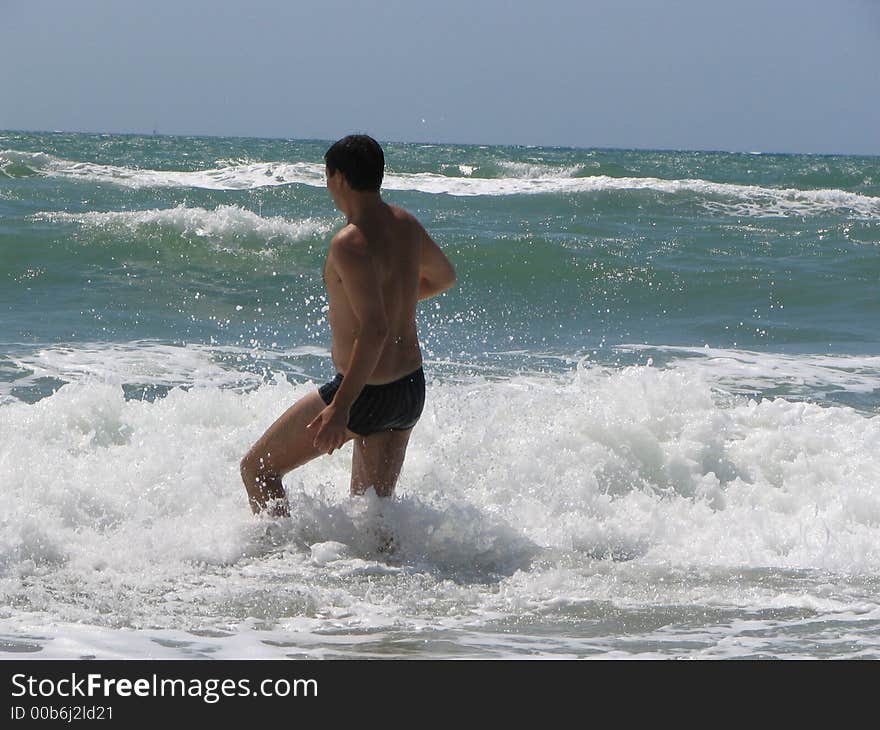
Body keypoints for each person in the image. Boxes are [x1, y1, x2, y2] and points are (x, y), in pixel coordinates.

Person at [240, 134, 456, 517]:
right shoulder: (406, 224)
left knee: (258, 470)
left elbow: (374, 330)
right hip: (408, 390)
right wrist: (398, 303)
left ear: (339, 178)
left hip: (365, 393)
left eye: (326, 177)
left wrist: (341, 407)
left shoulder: (349, 243)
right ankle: (389, 576)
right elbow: (443, 277)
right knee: (370, 519)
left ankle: (279, 564)